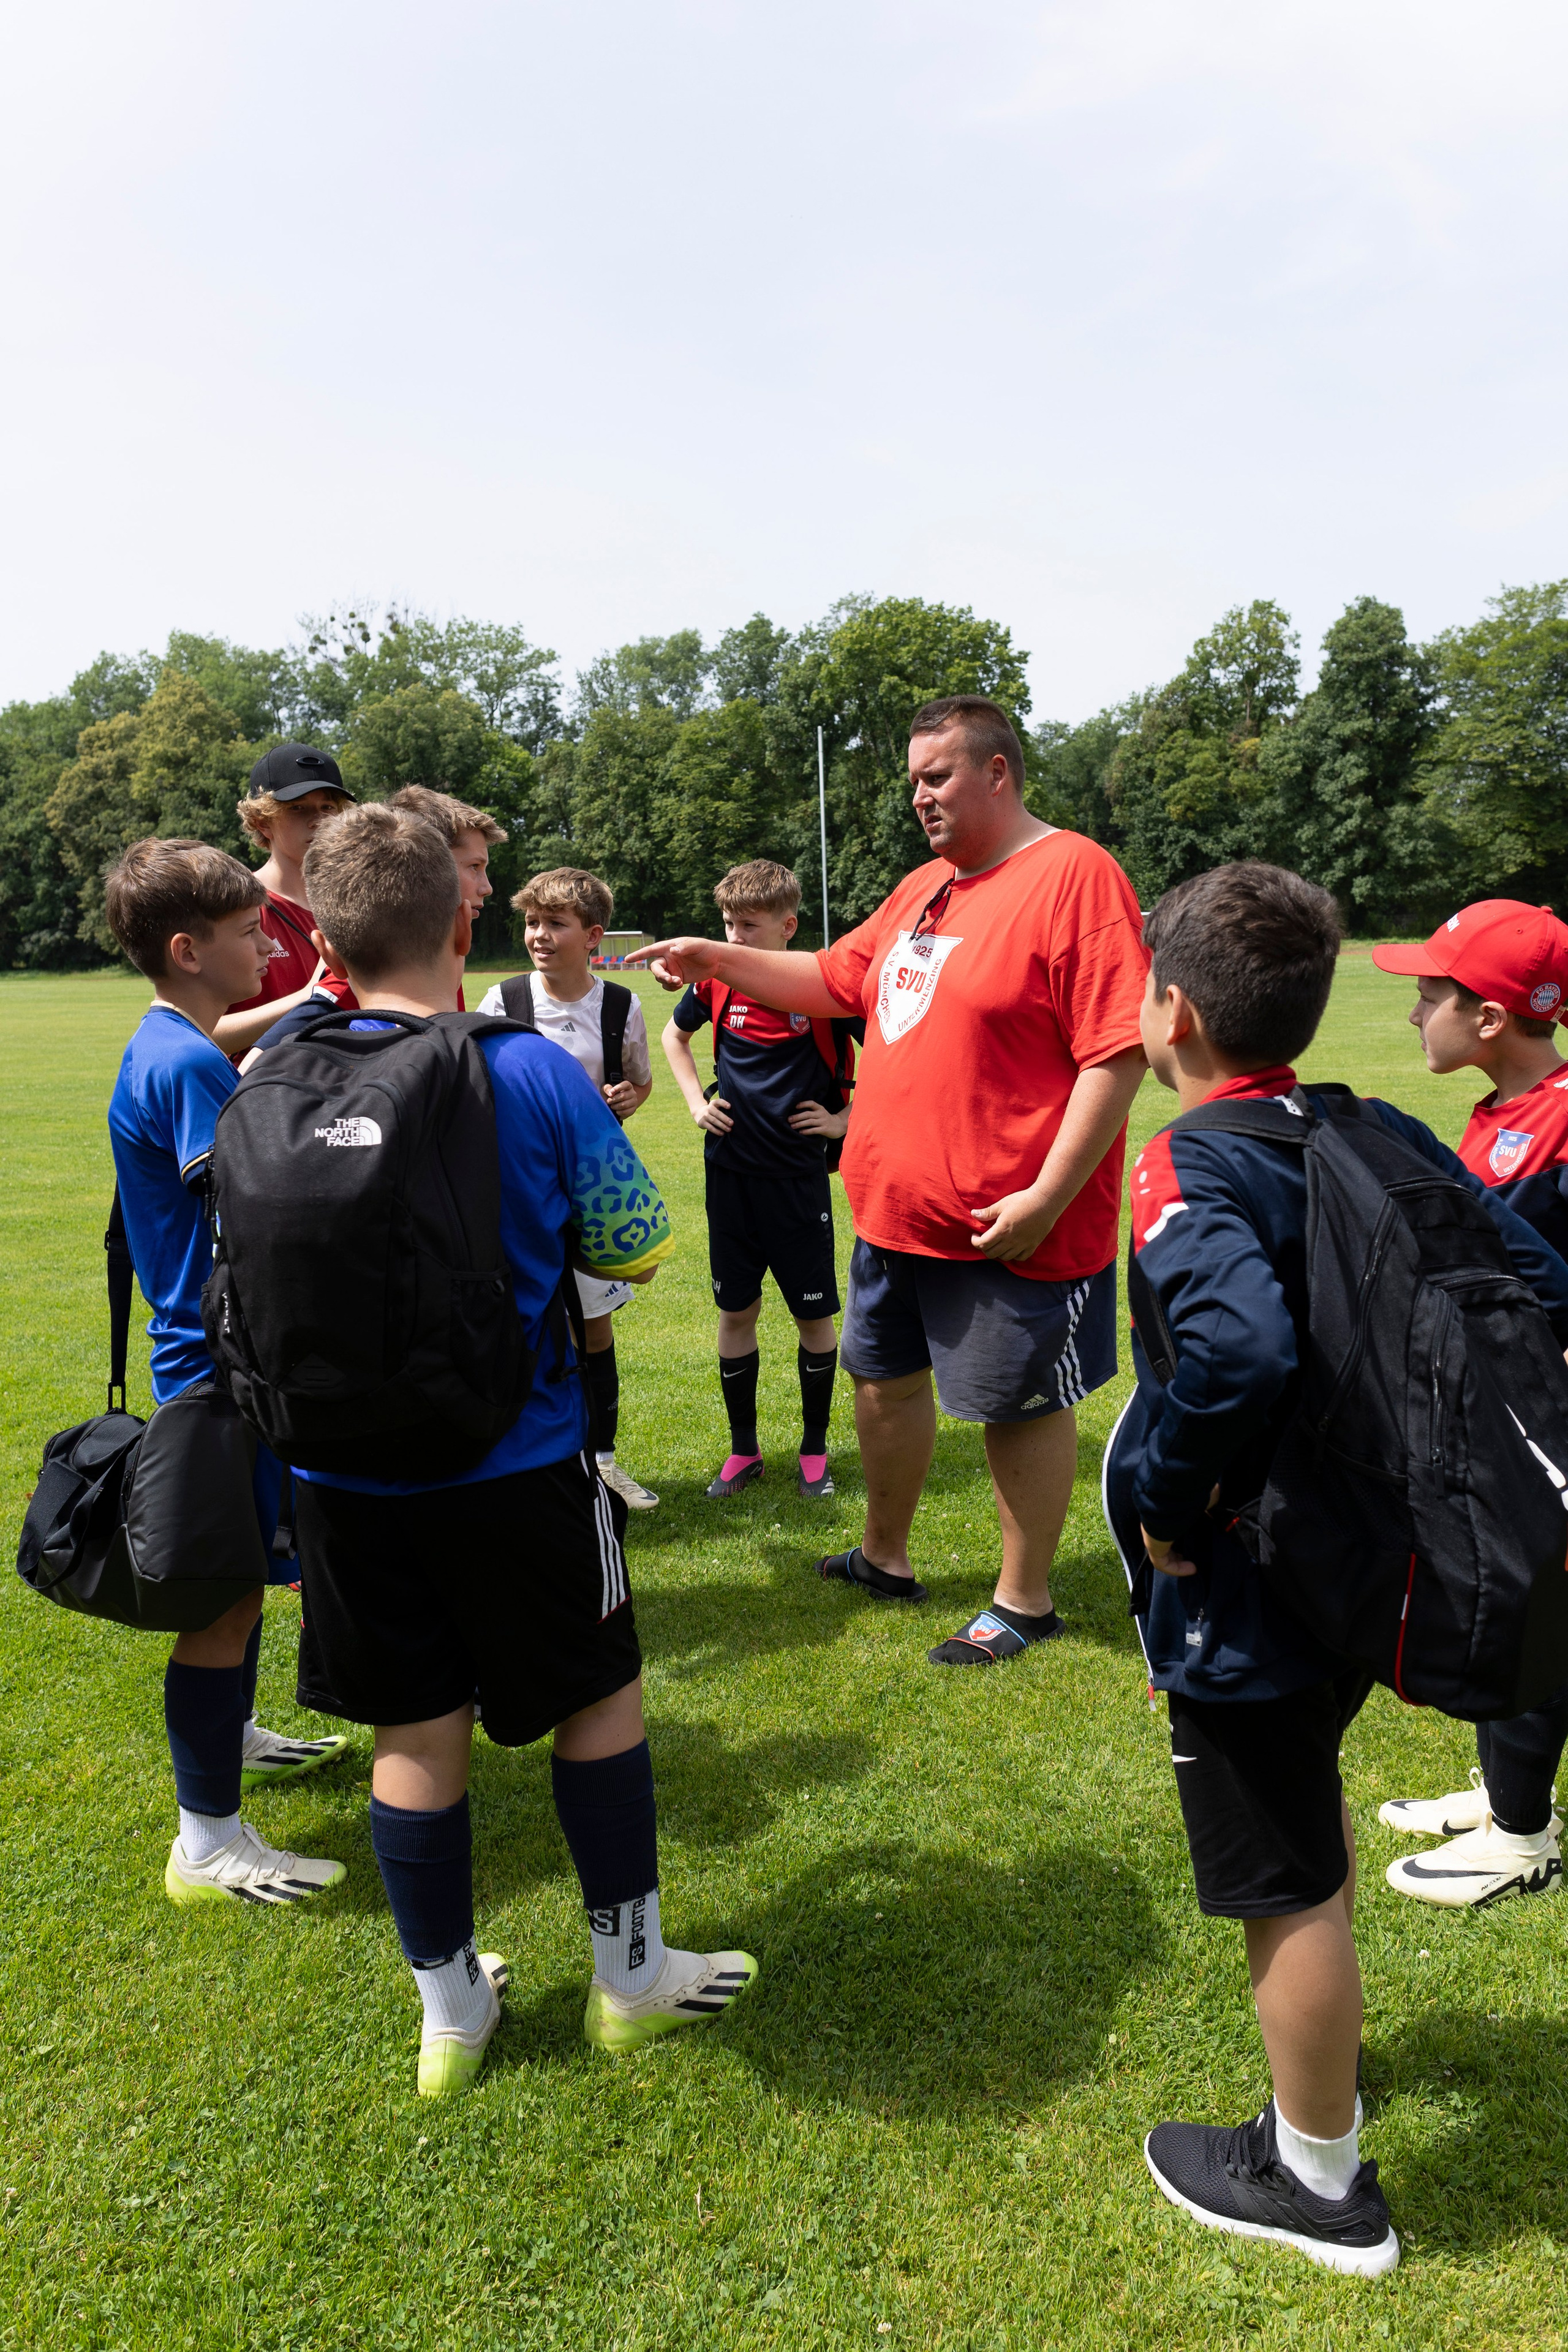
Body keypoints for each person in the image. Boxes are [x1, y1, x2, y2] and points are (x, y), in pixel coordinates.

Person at [1104, 862, 1568, 2276]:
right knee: (1302, 1815)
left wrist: (1168, 1501)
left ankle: (1315, 2183)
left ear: (1169, 1011)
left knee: (1285, 1872)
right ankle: (1318, 2109)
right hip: (1358, 1560)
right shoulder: (1371, 1124)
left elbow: (1234, 1348)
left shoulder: (1188, 1158)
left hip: (1252, 1574)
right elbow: (1533, 1284)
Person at [279, 804, 756, 2097]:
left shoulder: (276, 1065)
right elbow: (632, 1243)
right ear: (461, 919)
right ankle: (630, 1977)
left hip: (335, 1480)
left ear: (323, 933)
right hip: (519, 1464)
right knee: (597, 1700)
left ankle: (449, 2014)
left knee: (409, 1733)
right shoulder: (528, 1069)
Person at [636, 699, 1147, 1665]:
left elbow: (1115, 1054)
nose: (919, 795)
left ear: (999, 773)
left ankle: (1025, 1599)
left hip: (1009, 1220)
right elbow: (834, 979)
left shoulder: (1074, 875)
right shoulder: (925, 887)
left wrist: (1045, 1196)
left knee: (1016, 1403)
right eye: (913, 778)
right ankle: (886, 1556)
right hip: (896, 1211)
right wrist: (714, 958)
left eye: (938, 776)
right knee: (882, 1386)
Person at [102, 839, 349, 1905]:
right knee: (224, 1602)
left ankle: (235, 1736)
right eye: (251, 933)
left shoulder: (167, 1046)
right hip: (217, 1368)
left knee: (241, 1582)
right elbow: (248, 1221)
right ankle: (206, 1840)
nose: (270, 947)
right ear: (186, 948)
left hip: (203, 1359)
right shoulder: (190, 1064)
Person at [1371, 900, 1568, 1906]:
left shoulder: (1566, 1116)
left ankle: (1524, 1837)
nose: (1414, 1014)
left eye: (1430, 994)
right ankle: (1504, 1793)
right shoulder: (1507, 1112)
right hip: (1517, 1398)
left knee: (1537, 1599)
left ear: (1491, 1018)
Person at [660, 860, 854, 1501]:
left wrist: (843, 1118)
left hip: (797, 1180)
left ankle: (813, 1451)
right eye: (726, 925)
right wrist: (695, 1104)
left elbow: (892, 1046)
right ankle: (743, 1451)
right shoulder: (716, 983)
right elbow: (674, 1037)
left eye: (747, 926)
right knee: (735, 1309)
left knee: (812, 1316)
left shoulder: (822, 988)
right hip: (730, 1177)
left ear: (787, 926)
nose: (732, 938)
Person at [475, 868, 659, 1511]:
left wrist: (626, 1097)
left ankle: (602, 1464)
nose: (538, 936)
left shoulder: (619, 1005)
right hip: (521, 1192)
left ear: (594, 937)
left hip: (588, 1193)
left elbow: (639, 1083)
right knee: (522, 1323)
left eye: (555, 924)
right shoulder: (502, 1002)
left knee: (594, 1331)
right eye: (532, 922)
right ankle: (530, 1461)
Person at [214, 744, 356, 1059]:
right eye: (297, 808)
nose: (318, 821)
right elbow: (200, 1035)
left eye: (327, 808)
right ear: (263, 821)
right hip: (264, 1097)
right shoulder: (235, 909)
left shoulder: (358, 906)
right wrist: (310, 999)